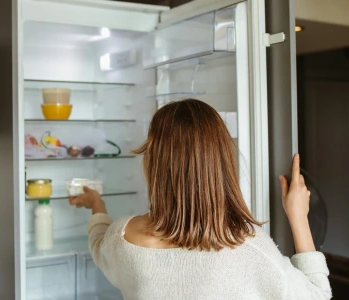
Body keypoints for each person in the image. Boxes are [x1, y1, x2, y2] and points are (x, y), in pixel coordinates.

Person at [69, 99, 331, 300]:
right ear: (221, 163)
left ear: (155, 163)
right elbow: (317, 295)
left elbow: (99, 243)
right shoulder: (248, 247)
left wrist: (96, 205)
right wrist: (299, 217)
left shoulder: (123, 237)